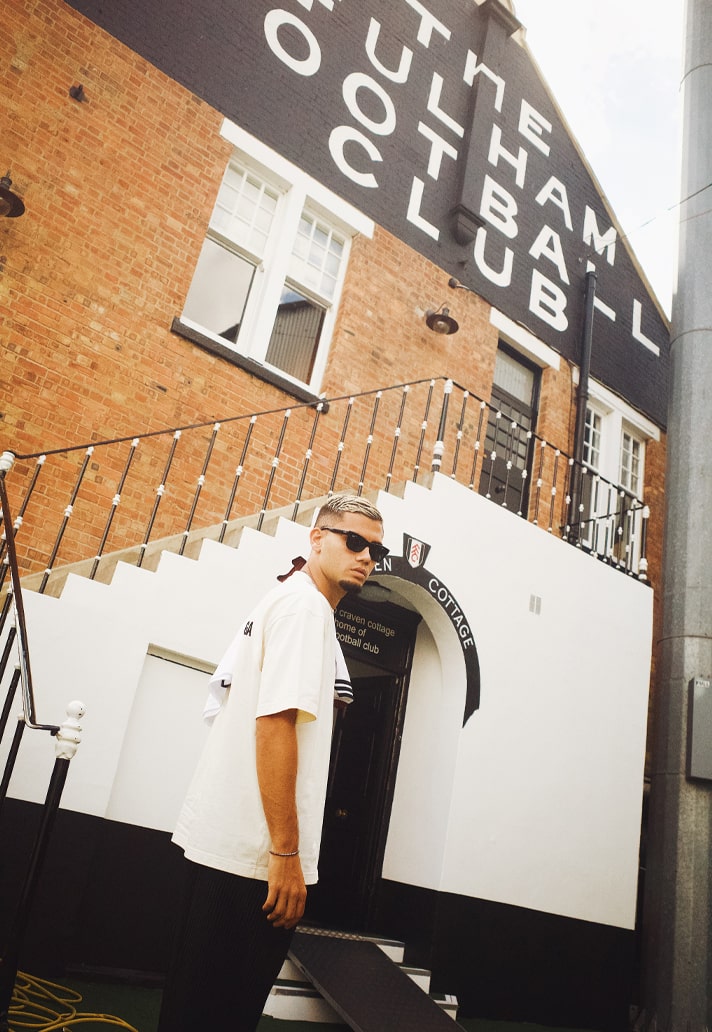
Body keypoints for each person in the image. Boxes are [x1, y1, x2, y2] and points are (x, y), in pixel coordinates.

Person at [156, 494, 388, 1032]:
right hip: (252, 858)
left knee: (196, 1009)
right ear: (317, 538)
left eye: (376, 550)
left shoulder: (288, 600)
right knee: (219, 1013)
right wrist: (285, 855)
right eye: (354, 541)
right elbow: (275, 725)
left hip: (230, 845)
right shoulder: (305, 609)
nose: (366, 556)